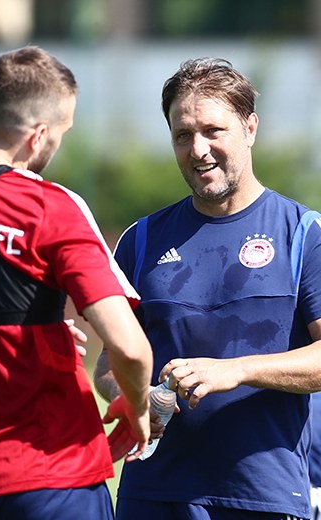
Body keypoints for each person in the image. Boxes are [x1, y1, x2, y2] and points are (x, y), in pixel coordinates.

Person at [0, 45, 153, 519]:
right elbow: (130, 349)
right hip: (55, 482)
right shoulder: (49, 207)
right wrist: (137, 407)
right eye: (62, 133)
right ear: (38, 135)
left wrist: (29, 330)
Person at [94, 57, 321, 520]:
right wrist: (135, 395)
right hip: (152, 495)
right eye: (183, 135)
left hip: (261, 496)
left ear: (250, 128)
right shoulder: (141, 240)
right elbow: (107, 363)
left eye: (213, 131)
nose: (198, 150)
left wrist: (234, 371)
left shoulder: (303, 234)